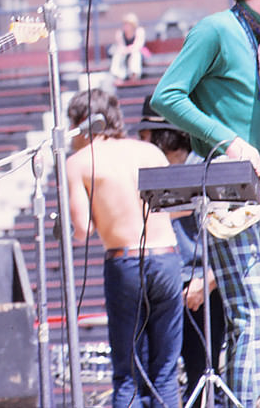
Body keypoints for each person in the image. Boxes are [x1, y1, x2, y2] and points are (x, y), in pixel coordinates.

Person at [150, 0, 260, 406]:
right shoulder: (215, 30)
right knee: (256, 313)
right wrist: (224, 139)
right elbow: (166, 96)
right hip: (226, 185)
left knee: (257, 314)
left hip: (252, 186)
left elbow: (258, 116)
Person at [65, 88, 182, 408]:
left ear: (79, 123)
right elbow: (172, 206)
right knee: (166, 371)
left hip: (125, 262)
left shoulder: (78, 163)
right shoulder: (149, 151)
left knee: (128, 373)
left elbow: (81, 229)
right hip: (167, 259)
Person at [138, 96, 224, 406]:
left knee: (203, 373)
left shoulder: (203, 168)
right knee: (156, 373)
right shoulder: (148, 171)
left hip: (203, 289)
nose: (141, 140)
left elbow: (227, 235)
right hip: (165, 287)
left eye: (145, 133)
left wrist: (209, 280)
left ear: (163, 135)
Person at [109, 12, 148, 81]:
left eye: (128, 24)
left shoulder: (139, 31)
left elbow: (138, 46)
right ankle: (117, 75)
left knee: (135, 54)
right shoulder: (120, 33)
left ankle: (134, 75)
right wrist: (125, 50)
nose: (126, 26)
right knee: (118, 53)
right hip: (125, 53)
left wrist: (128, 50)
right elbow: (121, 46)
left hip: (139, 54)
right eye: (125, 24)